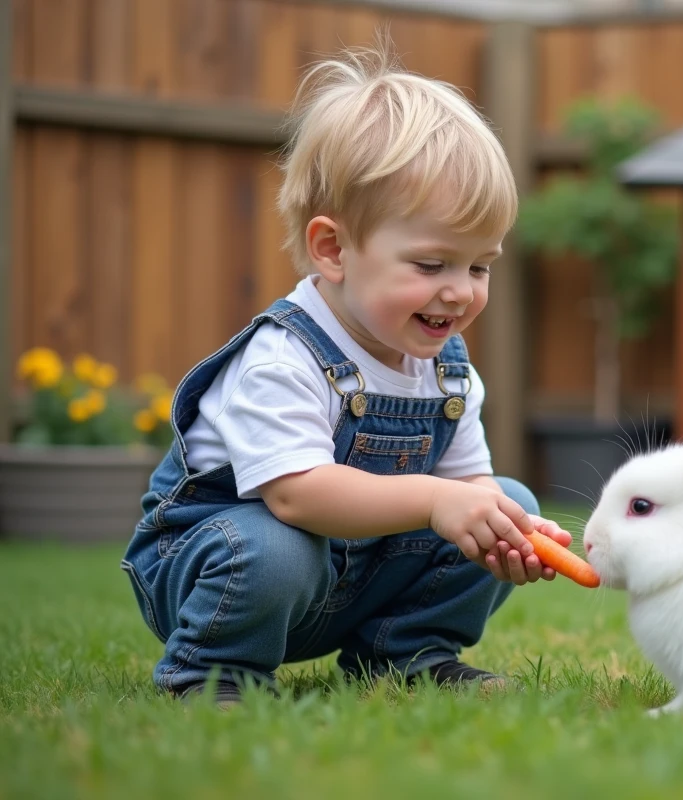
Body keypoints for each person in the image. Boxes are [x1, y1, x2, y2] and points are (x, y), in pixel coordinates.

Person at [119, 39, 574, 705]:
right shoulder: (284, 358)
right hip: (224, 572)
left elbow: (465, 486)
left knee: (511, 501)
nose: (461, 291)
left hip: (352, 580)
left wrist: (498, 528)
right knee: (275, 548)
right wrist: (439, 502)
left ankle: (404, 653)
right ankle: (213, 673)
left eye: (479, 266)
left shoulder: (446, 372)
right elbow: (297, 497)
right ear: (332, 249)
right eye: (431, 264)